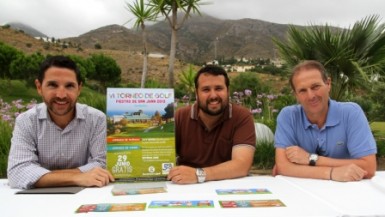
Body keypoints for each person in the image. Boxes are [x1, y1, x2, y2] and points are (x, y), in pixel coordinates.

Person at [7, 55, 114, 189]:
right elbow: (18, 172)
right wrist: (77, 177)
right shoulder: (26, 121)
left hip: (86, 195)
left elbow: (102, 163)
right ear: (39, 87)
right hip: (36, 203)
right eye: (53, 85)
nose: (61, 95)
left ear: (79, 89)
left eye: (69, 86)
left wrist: (42, 175)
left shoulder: (97, 119)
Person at [274, 60, 377, 182]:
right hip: (303, 191)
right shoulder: (288, 116)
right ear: (296, 95)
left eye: (315, 87)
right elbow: (282, 167)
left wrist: (310, 159)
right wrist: (332, 173)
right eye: (302, 90)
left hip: (348, 190)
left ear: (328, 84)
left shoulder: (351, 113)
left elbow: (369, 167)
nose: (311, 96)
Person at [167, 65, 256, 184]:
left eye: (219, 88)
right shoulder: (180, 117)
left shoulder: (241, 117)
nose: (213, 96)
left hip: (228, 185)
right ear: (196, 93)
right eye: (206, 90)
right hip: (186, 186)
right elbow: (160, 155)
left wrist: (198, 174)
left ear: (228, 90)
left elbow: (241, 165)